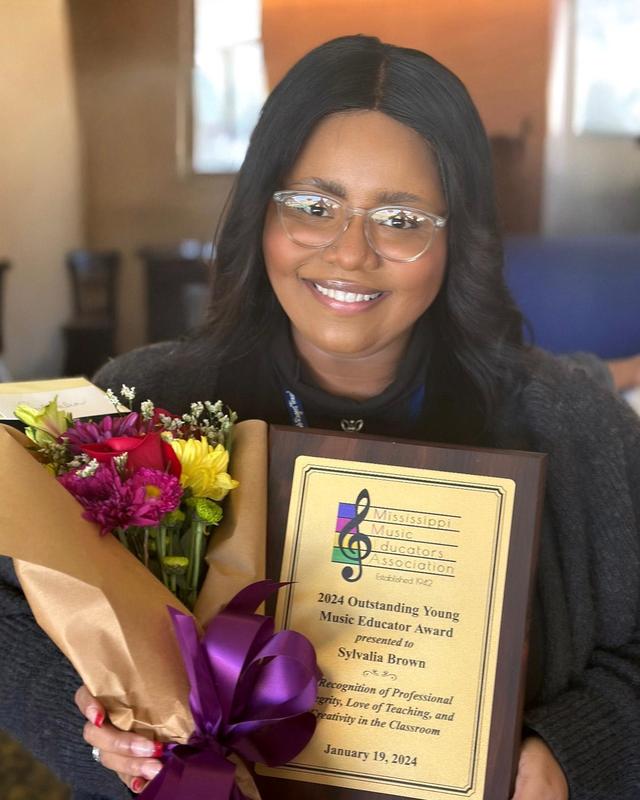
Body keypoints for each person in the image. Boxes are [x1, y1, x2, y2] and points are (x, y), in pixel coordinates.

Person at [1, 34, 639, 800]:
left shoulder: (572, 424)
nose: (349, 253)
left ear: (458, 239)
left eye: (401, 220)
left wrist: (575, 753)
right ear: (260, 212)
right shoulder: (140, 401)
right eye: (313, 206)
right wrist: (105, 743)